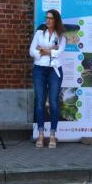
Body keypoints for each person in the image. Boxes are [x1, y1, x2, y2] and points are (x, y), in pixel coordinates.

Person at [28, 9, 66, 149]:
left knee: (54, 103)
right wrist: (49, 51)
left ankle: (52, 135)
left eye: (50, 18)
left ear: (56, 20)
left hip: (55, 71)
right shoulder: (39, 33)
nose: (47, 20)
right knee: (39, 102)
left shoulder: (61, 35)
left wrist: (44, 50)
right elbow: (32, 51)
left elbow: (60, 51)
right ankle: (41, 134)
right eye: (46, 18)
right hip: (39, 69)